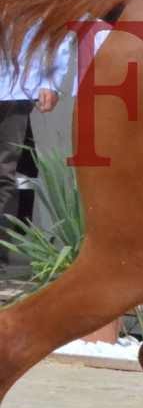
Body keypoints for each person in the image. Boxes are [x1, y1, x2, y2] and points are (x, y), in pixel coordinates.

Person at [0, 28, 66, 252]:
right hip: (13, 84)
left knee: (4, 171)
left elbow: (51, 28)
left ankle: (1, 251)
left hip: (12, 87)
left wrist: (50, 80)